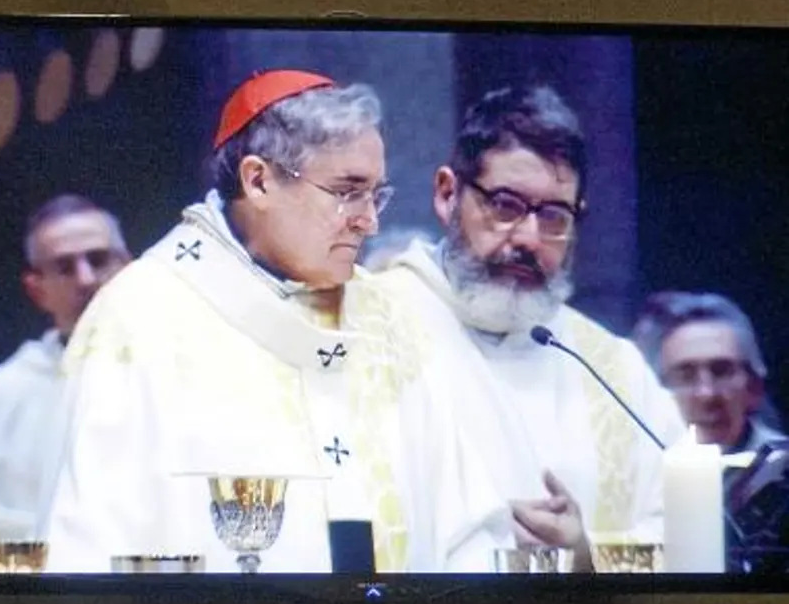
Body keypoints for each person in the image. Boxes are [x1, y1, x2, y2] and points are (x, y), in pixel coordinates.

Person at [43, 70, 529, 573]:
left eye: (375, 195)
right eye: (347, 191)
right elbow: (85, 546)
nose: (370, 221)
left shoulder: (388, 318)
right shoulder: (140, 316)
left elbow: (466, 529)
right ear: (259, 181)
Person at [377, 85, 679, 561]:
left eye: (555, 217)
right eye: (505, 206)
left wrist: (582, 555)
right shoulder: (369, 326)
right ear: (447, 194)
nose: (529, 238)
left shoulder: (610, 368)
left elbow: (677, 527)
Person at [0, 195, 131, 541]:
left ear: (128, 267)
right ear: (37, 291)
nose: (85, 279)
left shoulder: (177, 370)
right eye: (65, 267)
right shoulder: (0, 397)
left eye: (98, 260)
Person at [634, 291, 789, 571]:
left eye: (722, 371)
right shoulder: (627, 480)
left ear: (754, 387)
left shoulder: (782, 476)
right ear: (650, 392)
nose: (706, 394)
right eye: (685, 375)